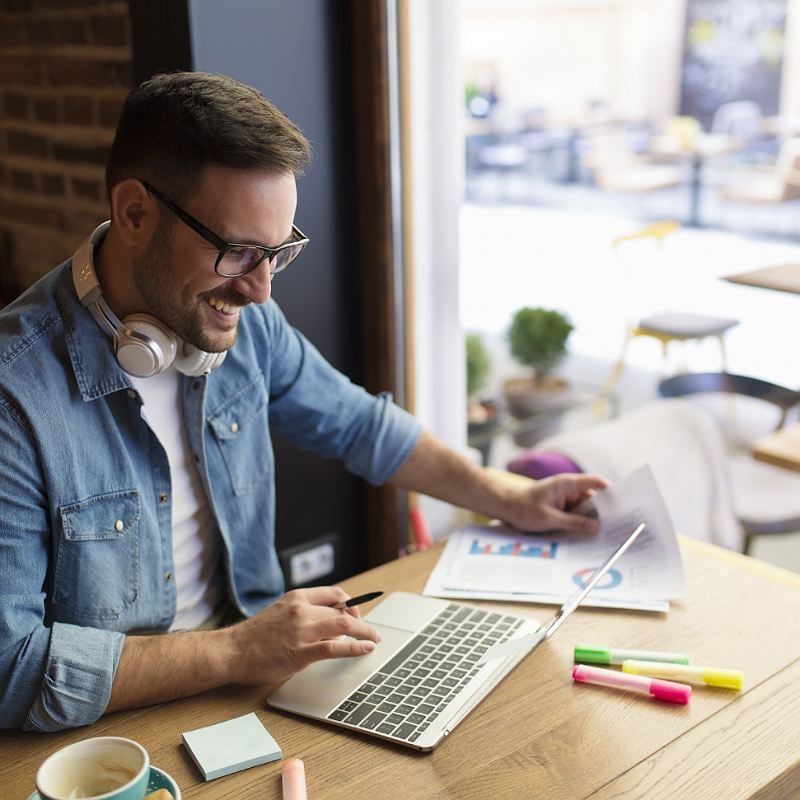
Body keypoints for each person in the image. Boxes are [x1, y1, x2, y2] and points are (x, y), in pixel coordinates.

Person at [0, 72, 605, 732]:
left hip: (252, 686)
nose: (261, 291)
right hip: (104, 735)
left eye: (277, 252)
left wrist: (508, 497)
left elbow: (358, 425)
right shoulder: (14, 399)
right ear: (135, 212)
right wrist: (238, 649)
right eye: (237, 253)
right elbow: (11, 668)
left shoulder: (243, 324)